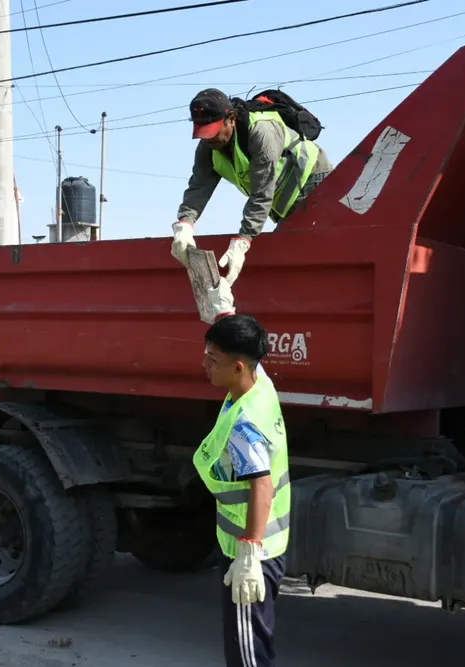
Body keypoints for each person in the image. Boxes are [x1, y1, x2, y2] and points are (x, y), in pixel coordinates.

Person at [193, 312, 290, 667]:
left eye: (212, 360)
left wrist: (248, 556)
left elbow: (261, 485)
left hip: (250, 555)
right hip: (263, 545)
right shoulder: (259, 383)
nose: (204, 364)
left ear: (236, 367)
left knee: (248, 653)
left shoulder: (245, 426)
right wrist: (223, 309)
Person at [171, 87, 333, 287]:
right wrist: (185, 223)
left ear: (230, 119)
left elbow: (262, 192)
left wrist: (243, 239)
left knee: (302, 255)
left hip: (309, 180)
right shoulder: (208, 146)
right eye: (202, 133)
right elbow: (199, 186)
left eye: (213, 131)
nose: (208, 138)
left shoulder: (261, 133)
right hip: (280, 196)